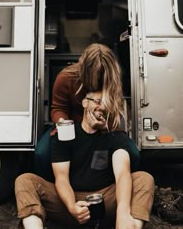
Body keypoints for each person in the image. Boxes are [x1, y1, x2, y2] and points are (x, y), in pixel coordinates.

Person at [15, 90, 155, 229]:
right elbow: (61, 178)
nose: (102, 107)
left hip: (105, 202)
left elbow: (122, 174)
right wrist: (72, 206)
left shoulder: (115, 136)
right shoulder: (66, 134)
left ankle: (128, 226)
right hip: (69, 203)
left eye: (107, 103)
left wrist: (123, 213)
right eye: (98, 101)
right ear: (85, 102)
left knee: (144, 179)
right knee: (25, 181)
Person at [35, 43, 140, 181]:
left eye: (101, 75)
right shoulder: (66, 77)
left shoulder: (112, 81)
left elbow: (116, 112)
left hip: (103, 129)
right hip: (71, 128)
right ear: (85, 70)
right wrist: (62, 123)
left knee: (134, 154)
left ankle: (122, 187)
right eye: (95, 74)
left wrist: (103, 125)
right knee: (41, 154)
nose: (98, 79)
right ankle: (54, 188)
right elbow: (58, 108)